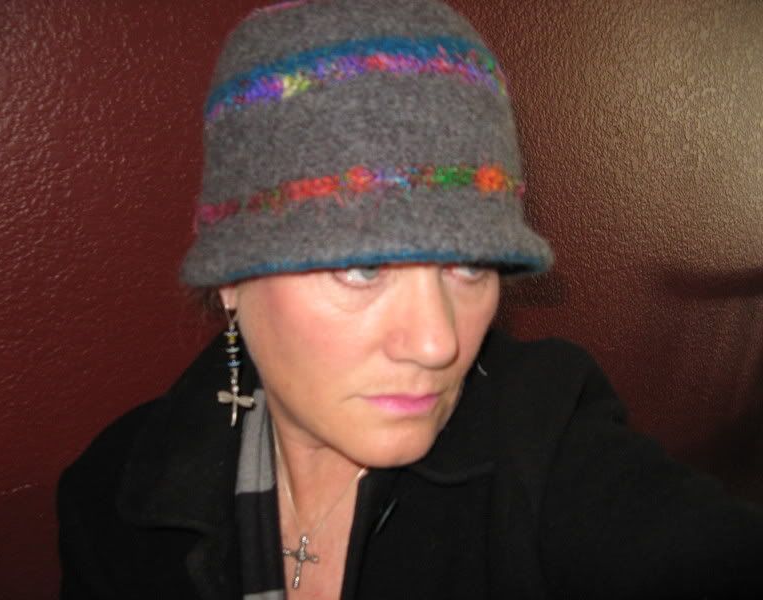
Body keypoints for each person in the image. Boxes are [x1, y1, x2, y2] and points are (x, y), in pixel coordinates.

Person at [57, 1, 763, 598]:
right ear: (230, 278)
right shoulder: (114, 494)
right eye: (362, 268)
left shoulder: (548, 449)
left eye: (469, 266)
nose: (438, 343)